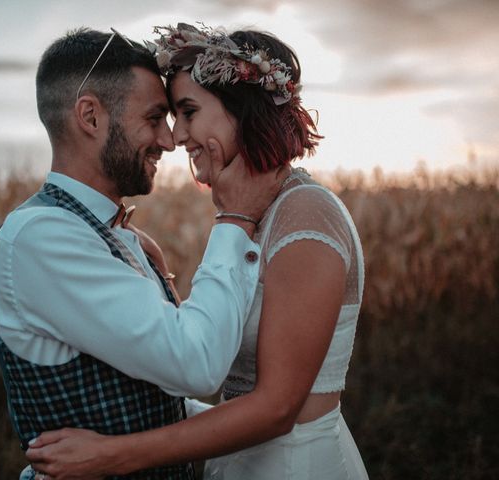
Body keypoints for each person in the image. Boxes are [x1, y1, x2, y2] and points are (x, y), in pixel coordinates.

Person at [25, 23, 369, 479]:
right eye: (168, 116)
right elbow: (209, 352)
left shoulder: (304, 214)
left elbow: (276, 408)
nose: (177, 135)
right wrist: (163, 281)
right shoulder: (251, 210)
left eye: (187, 111)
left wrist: (113, 454)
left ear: (242, 113)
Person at [0, 27, 283, 480]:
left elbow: (153, 395)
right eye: (153, 118)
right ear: (90, 117)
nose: (169, 140)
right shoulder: (40, 238)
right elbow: (197, 362)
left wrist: (273, 425)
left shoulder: (114, 235)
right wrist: (236, 218)